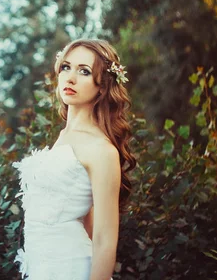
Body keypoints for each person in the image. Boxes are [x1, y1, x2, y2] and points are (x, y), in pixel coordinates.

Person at [13, 39, 136, 280]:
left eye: (84, 71)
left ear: (102, 87)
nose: (70, 78)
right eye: (66, 67)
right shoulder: (63, 138)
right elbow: (85, 217)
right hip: (42, 268)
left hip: (71, 269)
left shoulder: (101, 149)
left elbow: (104, 240)